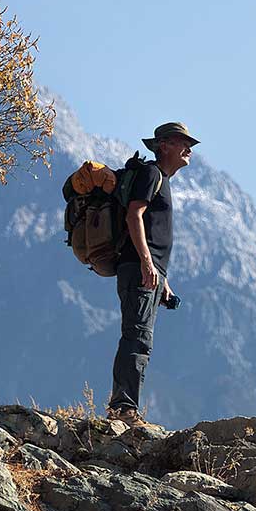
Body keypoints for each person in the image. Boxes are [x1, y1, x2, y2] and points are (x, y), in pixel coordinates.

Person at [107, 121, 199, 426]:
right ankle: (123, 410)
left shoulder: (163, 179)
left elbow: (152, 232)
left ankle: (125, 406)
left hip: (151, 272)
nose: (188, 149)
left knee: (140, 337)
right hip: (140, 270)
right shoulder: (151, 173)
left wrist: (163, 280)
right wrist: (147, 264)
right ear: (163, 145)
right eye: (181, 142)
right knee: (136, 337)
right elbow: (135, 214)